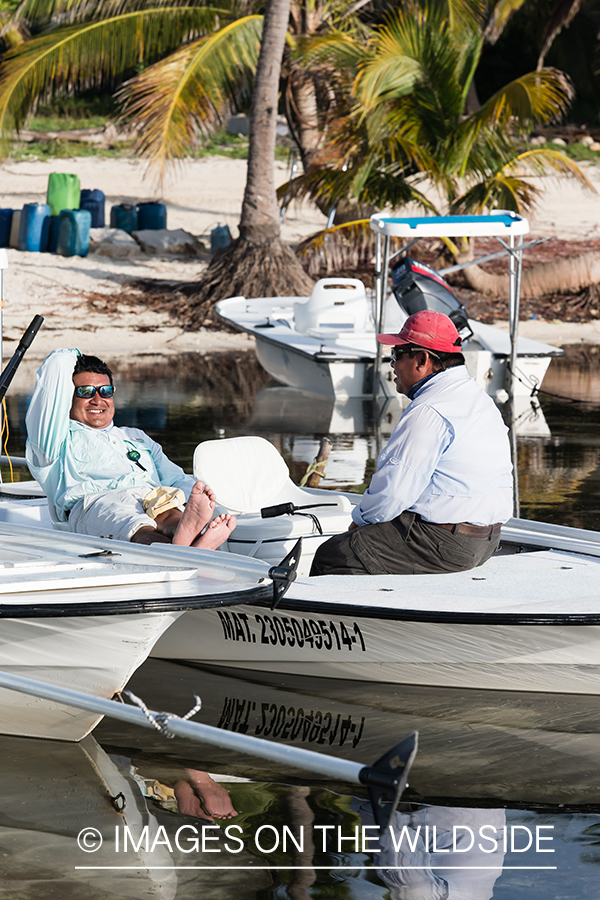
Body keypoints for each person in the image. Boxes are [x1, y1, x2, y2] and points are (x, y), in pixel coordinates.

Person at [310, 310, 513, 576]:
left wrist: (358, 523)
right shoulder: (479, 399)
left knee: (335, 553)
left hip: (448, 544)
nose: (392, 364)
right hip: (487, 540)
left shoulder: (429, 410)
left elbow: (392, 492)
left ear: (422, 359)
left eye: (396, 355)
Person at [25, 348, 236, 548]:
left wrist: (196, 497)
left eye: (105, 391)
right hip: (98, 501)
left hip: (150, 494)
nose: (97, 400)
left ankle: (185, 531)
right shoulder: (54, 439)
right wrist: (77, 355)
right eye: (86, 391)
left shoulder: (135, 437)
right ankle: (191, 545)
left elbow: (175, 478)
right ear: (68, 397)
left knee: (169, 510)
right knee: (136, 526)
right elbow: (56, 366)